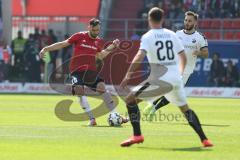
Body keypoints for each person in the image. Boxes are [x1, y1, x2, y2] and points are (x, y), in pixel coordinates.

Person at [119, 7, 213, 147]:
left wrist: (128, 75)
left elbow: (139, 56)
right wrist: (178, 74)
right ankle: (205, 139)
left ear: (149, 19)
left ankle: (137, 135)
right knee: (186, 109)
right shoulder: (172, 34)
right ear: (162, 19)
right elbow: (182, 56)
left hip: (159, 78)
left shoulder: (148, 36)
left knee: (130, 100)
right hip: (175, 78)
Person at [39, 18, 128, 126]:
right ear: (89, 27)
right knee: (79, 90)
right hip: (76, 71)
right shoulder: (79, 36)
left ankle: (116, 115)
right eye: (94, 30)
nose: (96, 32)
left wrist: (112, 46)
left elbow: (101, 55)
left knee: (101, 87)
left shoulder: (98, 41)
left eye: (98, 30)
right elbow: (63, 44)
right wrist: (46, 49)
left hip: (90, 71)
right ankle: (92, 119)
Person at [143, 11, 209, 121]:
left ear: (195, 23)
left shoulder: (200, 37)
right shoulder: (177, 34)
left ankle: (153, 107)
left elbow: (206, 53)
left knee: (174, 92)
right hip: (173, 68)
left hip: (187, 70)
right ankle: (153, 106)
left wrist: (199, 52)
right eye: (186, 20)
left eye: (190, 21)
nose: (187, 23)